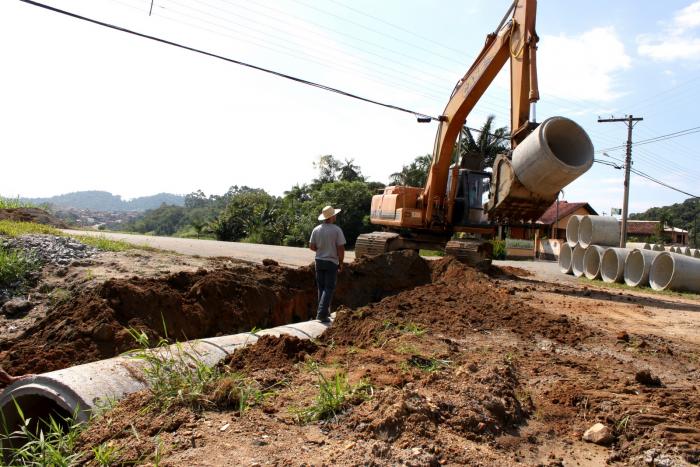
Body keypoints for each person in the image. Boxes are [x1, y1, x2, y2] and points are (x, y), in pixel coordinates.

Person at [309, 205, 346, 323]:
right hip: (331, 262)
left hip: (319, 262)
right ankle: (321, 314)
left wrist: (322, 250)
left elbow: (312, 246)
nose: (336, 216)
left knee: (321, 288)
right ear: (332, 216)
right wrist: (341, 262)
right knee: (329, 288)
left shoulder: (316, 229)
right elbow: (341, 248)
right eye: (334, 214)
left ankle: (324, 313)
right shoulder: (336, 230)